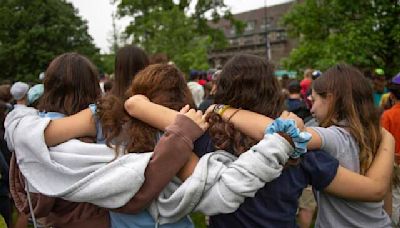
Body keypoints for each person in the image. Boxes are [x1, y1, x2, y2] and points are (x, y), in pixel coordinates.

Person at [6, 63, 306, 227]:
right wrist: (280, 140)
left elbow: (36, 136)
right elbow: (221, 192)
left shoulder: (104, 122)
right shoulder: (189, 134)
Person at [124, 55, 394, 227]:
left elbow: (136, 105)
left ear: (225, 91)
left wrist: (216, 110)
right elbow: (370, 190)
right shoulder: (297, 149)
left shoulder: (205, 137)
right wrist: (386, 139)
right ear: (272, 92)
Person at [381, 73, 400, 225]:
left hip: (394, 163)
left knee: (394, 198)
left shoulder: (388, 115)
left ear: (392, 94)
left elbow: (382, 144)